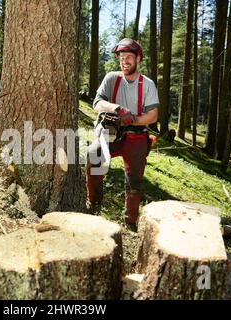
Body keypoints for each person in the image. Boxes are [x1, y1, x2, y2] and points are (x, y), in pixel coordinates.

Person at [86, 38, 159, 232]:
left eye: (128, 57)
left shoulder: (148, 84)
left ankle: (131, 221)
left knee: (134, 180)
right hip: (112, 134)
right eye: (121, 57)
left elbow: (153, 115)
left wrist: (132, 119)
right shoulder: (111, 78)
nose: (124, 61)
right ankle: (94, 204)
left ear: (138, 59)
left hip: (136, 136)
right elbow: (97, 103)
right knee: (93, 155)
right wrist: (117, 109)